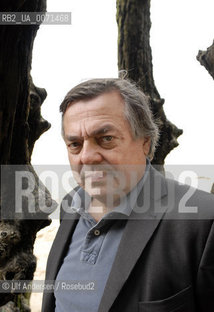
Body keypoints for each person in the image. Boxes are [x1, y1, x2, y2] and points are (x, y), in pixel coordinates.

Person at [42, 78, 214, 312]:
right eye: (75, 144)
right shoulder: (70, 204)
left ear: (145, 142)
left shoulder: (203, 222)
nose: (87, 156)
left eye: (106, 139)